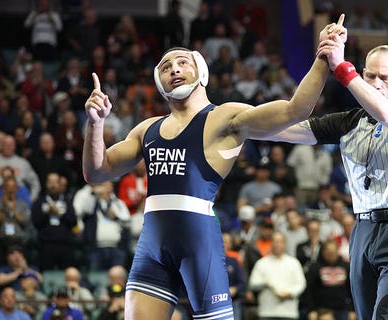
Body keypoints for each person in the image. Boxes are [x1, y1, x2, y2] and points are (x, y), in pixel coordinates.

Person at [81, 16, 346, 319]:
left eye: (182, 62)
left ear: (202, 72)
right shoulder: (146, 130)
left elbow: (294, 110)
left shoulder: (225, 116)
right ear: (159, 82)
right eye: (165, 68)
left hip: (199, 244)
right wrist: (96, 124)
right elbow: (96, 172)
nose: (174, 70)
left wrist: (324, 58)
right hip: (152, 247)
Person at [264, 32, 388, 320]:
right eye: (371, 76)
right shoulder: (349, 121)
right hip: (363, 230)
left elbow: (385, 114)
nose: (377, 84)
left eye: (386, 78)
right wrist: (231, 122)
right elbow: (284, 129)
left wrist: (342, 68)